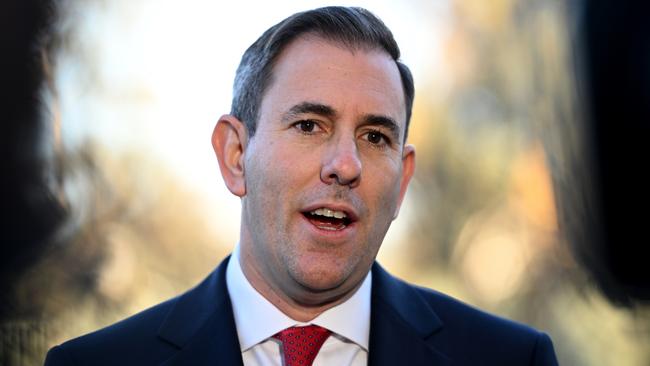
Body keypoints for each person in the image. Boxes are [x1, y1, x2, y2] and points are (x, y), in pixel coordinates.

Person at [45, 6, 559, 366]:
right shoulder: (95, 363)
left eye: (374, 135)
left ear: (402, 181)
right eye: (309, 125)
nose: (345, 164)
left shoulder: (511, 358)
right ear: (236, 155)